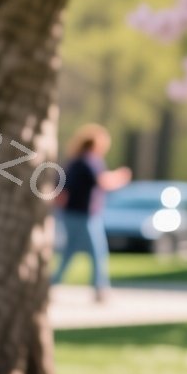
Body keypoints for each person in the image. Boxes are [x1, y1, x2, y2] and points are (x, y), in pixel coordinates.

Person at [50, 123, 132, 302]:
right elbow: (103, 182)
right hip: (84, 215)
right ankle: (100, 288)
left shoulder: (74, 162)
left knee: (69, 252)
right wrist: (121, 176)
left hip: (72, 214)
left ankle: (50, 284)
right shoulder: (90, 161)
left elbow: (61, 188)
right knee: (97, 251)